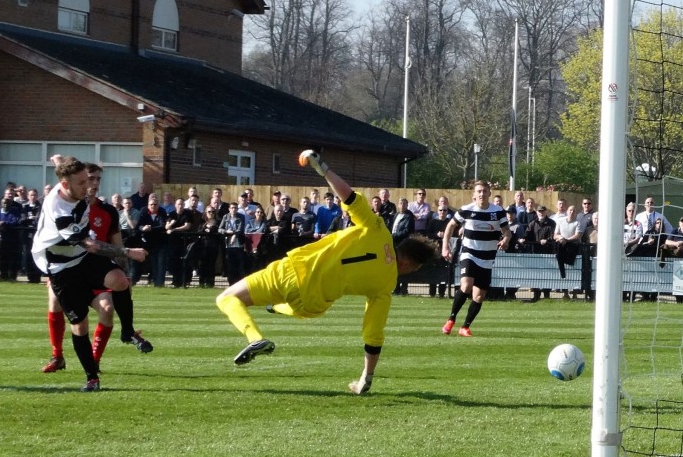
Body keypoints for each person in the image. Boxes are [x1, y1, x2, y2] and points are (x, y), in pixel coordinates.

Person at [216, 150, 437, 395]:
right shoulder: (385, 287)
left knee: (227, 298)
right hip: (313, 302)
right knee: (300, 309)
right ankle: (274, 308)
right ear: (412, 265)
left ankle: (255, 338)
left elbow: (350, 197)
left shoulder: (378, 230)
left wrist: (323, 169)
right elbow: (373, 336)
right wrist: (367, 377)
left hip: (294, 271)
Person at [31, 156, 151, 391]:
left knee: (119, 280)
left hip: (82, 258)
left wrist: (58, 160)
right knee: (80, 325)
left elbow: (61, 168)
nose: (89, 186)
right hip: (62, 269)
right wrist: (128, 252)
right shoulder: (60, 212)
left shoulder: (68, 184)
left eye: (91, 180)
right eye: (83, 182)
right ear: (66, 185)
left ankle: (127, 332)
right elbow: (92, 245)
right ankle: (92, 377)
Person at [440, 180, 511, 336]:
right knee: (466, 285)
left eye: (484, 191)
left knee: (479, 296)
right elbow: (450, 226)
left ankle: (464, 327)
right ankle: (451, 319)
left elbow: (507, 231)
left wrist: (505, 239)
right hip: (469, 253)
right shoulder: (466, 210)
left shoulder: (498, 211)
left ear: (489, 194)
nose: (481, 194)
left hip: (487, 257)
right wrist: (445, 247)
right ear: (474, 194)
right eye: (478, 191)